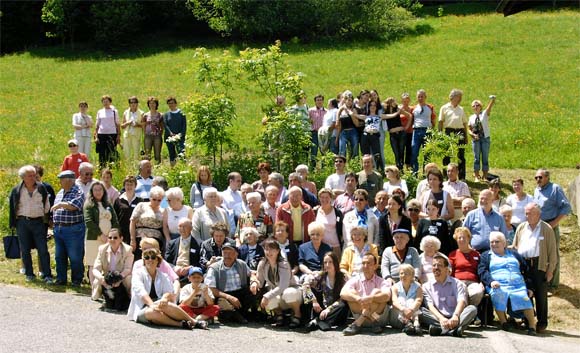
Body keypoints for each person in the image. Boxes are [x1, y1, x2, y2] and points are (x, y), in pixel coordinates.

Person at [127, 248, 207, 330]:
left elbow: (169, 291)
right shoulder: (138, 273)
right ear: (144, 261)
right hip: (142, 308)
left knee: (167, 305)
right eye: (147, 257)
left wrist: (165, 298)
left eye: (153, 257)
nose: (150, 259)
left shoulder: (163, 275)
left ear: (158, 260)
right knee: (152, 312)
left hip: (158, 304)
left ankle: (194, 322)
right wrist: (151, 305)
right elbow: (141, 292)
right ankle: (180, 324)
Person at [478, 232, 538, 335]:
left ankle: (532, 326)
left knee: (523, 296)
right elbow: (482, 271)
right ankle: (504, 322)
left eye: (497, 241)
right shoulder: (486, 256)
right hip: (497, 284)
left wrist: (530, 288)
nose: (494, 244)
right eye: (491, 242)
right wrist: (491, 281)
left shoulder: (514, 254)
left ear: (504, 243)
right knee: (498, 293)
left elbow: (527, 271)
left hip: (518, 285)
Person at [512, 203, 558, 332]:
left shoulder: (546, 228)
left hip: (539, 264)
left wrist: (550, 271)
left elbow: (552, 252)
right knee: (525, 293)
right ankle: (528, 321)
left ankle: (542, 322)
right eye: (526, 213)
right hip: (523, 264)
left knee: (540, 295)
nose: (528, 215)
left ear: (538, 214)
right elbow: (515, 246)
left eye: (530, 213)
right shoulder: (521, 227)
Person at [9, 165, 53, 283]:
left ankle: (47, 275)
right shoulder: (16, 190)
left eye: (34, 175)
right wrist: (13, 223)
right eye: (30, 176)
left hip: (38, 222)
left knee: (43, 249)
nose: (33, 177)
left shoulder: (41, 188)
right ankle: (29, 274)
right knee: (25, 249)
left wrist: (44, 218)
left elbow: (47, 206)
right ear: (23, 177)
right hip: (22, 222)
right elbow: (12, 207)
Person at [421, 253, 478, 337]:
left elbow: (461, 301)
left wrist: (455, 316)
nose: (436, 267)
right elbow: (430, 306)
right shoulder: (426, 286)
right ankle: (454, 330)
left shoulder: (457, 283)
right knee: (420, 311)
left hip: (455, 317)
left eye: (439, 265)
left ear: (446, 269)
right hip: (437, 317)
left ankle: (442, 330)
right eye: (434, 265)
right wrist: (441, 318)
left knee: (472, 309)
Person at [533, 168, 571, 291]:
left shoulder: (555, 188)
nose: (538, 179)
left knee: (553, 255)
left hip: (551, 226)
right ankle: (545, 281)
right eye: (536, 177)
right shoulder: (537, 190)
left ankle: (553, 285)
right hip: (539, 226)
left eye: (540, 177)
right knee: (542, 255)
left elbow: (566, 208)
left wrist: (554, 223)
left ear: (547, 177)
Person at [253, 239, 303, 328]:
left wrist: (266, 296)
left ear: (278, 251)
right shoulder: (262, 263)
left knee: (289, 293)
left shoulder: (284, 264)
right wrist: (254, 282)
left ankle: (297, 314)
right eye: (266, 249)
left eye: (272, 249)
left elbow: (283, 286)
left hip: (293, 291)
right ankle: (279, 315)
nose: (269, 252)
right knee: (269, 299)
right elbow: (260, 282)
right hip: (278, 294)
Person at [205, 242, 257, 324]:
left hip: (240, 292)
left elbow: (252, 273)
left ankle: (239, 314)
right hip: (223, 295)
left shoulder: (241, 264)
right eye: (225, 253)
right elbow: (211, 289)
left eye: (230, 253)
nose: (227, 255)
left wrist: (253, 282)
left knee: (255, 291)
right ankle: (239, 315)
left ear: (236, 254)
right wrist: (229, 297)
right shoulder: (214, 268)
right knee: (223, 305)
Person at [341, 253, 391, 335]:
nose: (365, 266)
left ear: (375, 266)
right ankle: (368, 318)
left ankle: (358, 324)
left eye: (368, 263)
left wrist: (371, 298)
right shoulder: (355, 279)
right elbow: (342, 293)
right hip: (361, 315)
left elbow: (387, 296)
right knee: (352, 293)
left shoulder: (382, 281)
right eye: (363, 263)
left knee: (376, 292)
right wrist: (358, 299)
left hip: (378, 318)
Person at [51, 170, 86, 286]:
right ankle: (61, 279)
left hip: (73, 229)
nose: (60, 182)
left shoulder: (78, 191)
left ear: (69, 180)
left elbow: (74, 206)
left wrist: (61, 205)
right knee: (59, 256)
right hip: (59, 229)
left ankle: (77, 280)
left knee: (75, 256)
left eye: (61, 179)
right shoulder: (61, 192)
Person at [84, 181, 120, 287]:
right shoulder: (88, 205)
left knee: (106, 264)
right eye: (95, 190)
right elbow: (89, 222)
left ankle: (105, 287)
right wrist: (101, 235)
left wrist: (112, 236)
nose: (98, 192)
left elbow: (115, 220)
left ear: (104, 191)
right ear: (92, 192)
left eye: (100, 189)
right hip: (94, 239)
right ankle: (94, 288)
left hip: (109, 239)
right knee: (93, 264)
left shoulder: (108, 204)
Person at [303, 252, 349, 331]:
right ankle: (321, 322)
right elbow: (305, 285)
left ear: (335, 263)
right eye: (325, 262)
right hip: (322, 309)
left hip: (335, 311)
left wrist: (329, 309)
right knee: (309, 291)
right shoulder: (321, 276)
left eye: (330, 262)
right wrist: (314, 301)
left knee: (343, 304)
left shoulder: (343, 277)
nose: (327, 265)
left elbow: (343, 297)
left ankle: (317, 321)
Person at [92, 228, 133, 310]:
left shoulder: (128, 249)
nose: (112, 239)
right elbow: (95, 269)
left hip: (121, 276)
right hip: (107, 277)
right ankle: (103, 297)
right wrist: (101, 278)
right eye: (110, 237)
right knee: (97, 280)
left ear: (121, 239)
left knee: (129, 279)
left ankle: (129, 299)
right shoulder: (102, 249)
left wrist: (119, 279)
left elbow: (128, 269)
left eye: (115, 237)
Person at [449, 227, 485, 306]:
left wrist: (482, 282)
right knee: (461, 293)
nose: (461, 239)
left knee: (477, 292)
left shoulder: (476, 254)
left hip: (473, 282)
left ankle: (466, 311)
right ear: (456, 240)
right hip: (458, 282)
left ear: (469, 238)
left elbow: (481, 270)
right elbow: (450, 271)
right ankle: (467, 313)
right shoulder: (453, 254)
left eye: (464, 237)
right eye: (459, 238)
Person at [438, 89, 468, 180]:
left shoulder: (461, 109)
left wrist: (466, 136)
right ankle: (446, 175)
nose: (460, 99)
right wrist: (440, 134)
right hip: (448, 131)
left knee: (461, 155)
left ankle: (462, 176)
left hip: (460, 131)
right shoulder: (444, 107)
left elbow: (464, 123)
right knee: (447, 154)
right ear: (453, 97)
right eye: (459, 97)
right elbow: (440, 121)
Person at [130, 186, 165, 259]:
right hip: (140, 237)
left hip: (156, 240)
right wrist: (132, 239)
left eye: (159, 200)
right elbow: (132, 222)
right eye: (154, 199)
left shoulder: (163, 210)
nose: (156, 202)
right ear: (150, 197)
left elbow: (165, 227)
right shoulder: (141, 205)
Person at [164, 218, 202, 285]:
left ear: (191, 228)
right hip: (175, 271)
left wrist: (190, 267)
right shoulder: (172, 243)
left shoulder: (199, 244)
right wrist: (174, 268)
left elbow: (201, 261)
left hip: (191, 272)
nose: (182, 229)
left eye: (185, 226)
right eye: (180, 226)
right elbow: (167, 260)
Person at [468, 95, 496, 182]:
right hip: (475, 139)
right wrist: (472, 134)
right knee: (476, 158)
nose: (475, 107)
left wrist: (492, 100)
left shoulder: (484, 114)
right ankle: (476, 176)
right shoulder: (471, 117)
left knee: (485, 157)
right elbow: (468, 128)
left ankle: (485, 176)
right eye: (474, 106)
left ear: (481, 107)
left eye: (477, 105)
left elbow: (489, 107)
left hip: (485, 139)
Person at [390, 264, 423, 335]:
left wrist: (411, 310)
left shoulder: (418, 286)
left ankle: (415, 323)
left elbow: (418, 300)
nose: (403, 275)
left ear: (412, 275)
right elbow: (394, 302)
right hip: (397, 317)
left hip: (413, 313)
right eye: (401, 273)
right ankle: (409, 323)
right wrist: (403, 309)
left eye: (406, 273)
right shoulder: (395, 287)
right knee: (401, 300)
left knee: (411, 301)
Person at [410, 89, 437, 175]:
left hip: (427, 131)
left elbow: (433, 120)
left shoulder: (430, 107)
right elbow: (411, 119)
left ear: (425, 97)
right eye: (419, 96)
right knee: (414, 151)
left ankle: (427, 173)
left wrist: (431, 130)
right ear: (417, 98)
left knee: (427, 153)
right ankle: (414, 172)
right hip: (416, 131)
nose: (420, 98)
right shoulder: (413, 108)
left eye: (422, 96)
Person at [114, 175, 143, 245]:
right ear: (124, 186)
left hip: (136, 233)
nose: (129, 187)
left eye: (131, 185)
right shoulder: (118, 200)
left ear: (135, 186)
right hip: (122, 232)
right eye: (127, 184)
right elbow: (115, 217)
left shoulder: (140, 201)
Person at [314, 188, 343, 257]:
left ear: (331, 198)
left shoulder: (337, 213)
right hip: (320, 246)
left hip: (335, 246)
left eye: (327, 197)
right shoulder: (315, 211)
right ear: (319, 198)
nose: (324, 199)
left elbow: (341, 228)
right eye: (322, 197)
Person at [94, 95, 120, 167]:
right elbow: (97, 124)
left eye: (107, 101)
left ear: (110, 102)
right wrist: (96, 136)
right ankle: (102, 168)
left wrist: (118, 135)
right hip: (101, 134)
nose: (105, 103)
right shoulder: (100, 112)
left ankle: (111, 167)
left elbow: (117, 123)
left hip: (112, 134)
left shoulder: (114, 111)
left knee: (111, 152)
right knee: (102, 153)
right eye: (104, 101)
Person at [163, 96, 187, 166]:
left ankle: (183, 167)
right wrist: (170, 133)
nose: (171, 105)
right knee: (172, 154)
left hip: (180, 138)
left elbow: (184, 126)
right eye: (169, 103)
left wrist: (180, 135)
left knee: (181, 153)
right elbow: (165, 125)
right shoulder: (166, 114)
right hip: (169, 137)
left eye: (172, 103)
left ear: (176, 103)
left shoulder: (181, 113)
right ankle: (173, 169)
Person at [335, 93, 360, 158]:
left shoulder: (353, 110)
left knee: (354, 149)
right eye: (348, 100)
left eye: (351, 101)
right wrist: (337, 138)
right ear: (345, 101)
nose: (349, 102)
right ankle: (342, 164)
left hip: (353, 131)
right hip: (343, 132)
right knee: (342, 149)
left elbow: (357, 124)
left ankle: (355, 164)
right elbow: (339, 125)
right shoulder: (341, 111)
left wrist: (351, 115)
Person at [121, 96, 144, 161]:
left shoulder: (141, 113)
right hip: (127, 135)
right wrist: (127, 123)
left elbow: (144, 125)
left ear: (137, 103)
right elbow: (122, 126)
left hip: (136, 136)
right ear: (129, 104)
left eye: (135, 102)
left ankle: (136, 167)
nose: (133, 104)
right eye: (131, 102)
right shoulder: (126, 112)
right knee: (126, 153)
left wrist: (137, 124)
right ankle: (128, 168)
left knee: (136, 154)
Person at [142, 96, 164, 164]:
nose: (152, 105)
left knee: (157, 154)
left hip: (157, 136)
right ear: (148, 104)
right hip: (148, 136)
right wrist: (145, 133)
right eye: (150, 103)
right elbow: (143, 125)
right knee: (147, 154)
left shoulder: (160, 115)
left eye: (153, 103)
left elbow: (162, 126)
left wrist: (160, 133)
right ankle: (147, 168)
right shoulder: (145, 115)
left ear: (156, 104)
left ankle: (158, 167)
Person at [308, 94, 326, 166]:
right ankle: (312, 169)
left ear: (323, 101)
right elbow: (307, 120)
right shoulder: (310, 110)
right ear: (315, 101)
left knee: (324, 151)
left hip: (323, 134)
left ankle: (324, 168)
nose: (319, 101)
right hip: (314, 133)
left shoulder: (326, 111)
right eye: (318, 100)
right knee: (314, 151)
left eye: (321, 100)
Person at [399, 92, 414, 171]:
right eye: (404, 101)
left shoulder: (412, 109)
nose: (405, 102)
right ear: (401, 101)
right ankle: (400, 167)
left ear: (409, 101)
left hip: (410, 132)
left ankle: (408, 168)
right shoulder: (399, 108)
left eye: (407, 101)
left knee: (409, 150)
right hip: (400, 132)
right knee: (400, 150)